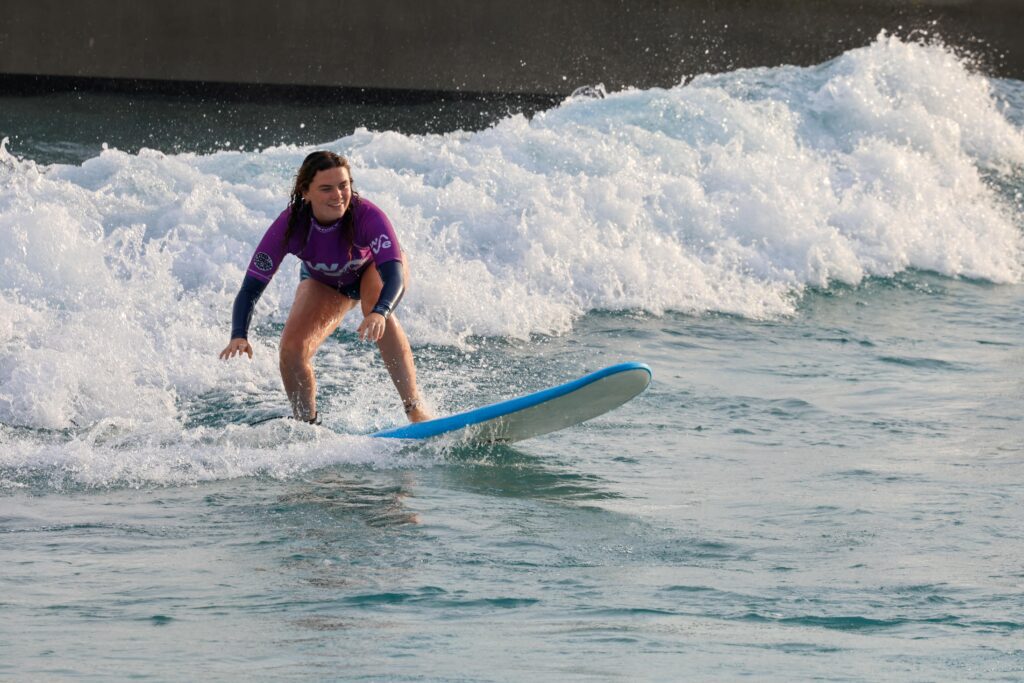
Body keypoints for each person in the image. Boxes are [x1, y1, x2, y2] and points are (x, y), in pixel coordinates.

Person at [219, 150, 431, 424]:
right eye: (326, 188)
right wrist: (239, 334)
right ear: (305, 192)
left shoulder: (367, 216)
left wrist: (380, 311)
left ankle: (414, 409)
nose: (338, 195)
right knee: (292, 348)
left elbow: (395, 276)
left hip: (371, 270)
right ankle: (307, 425)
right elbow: (250, 288)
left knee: (376, 306)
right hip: (324, 281)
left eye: (344, 186)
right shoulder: (289, 225)